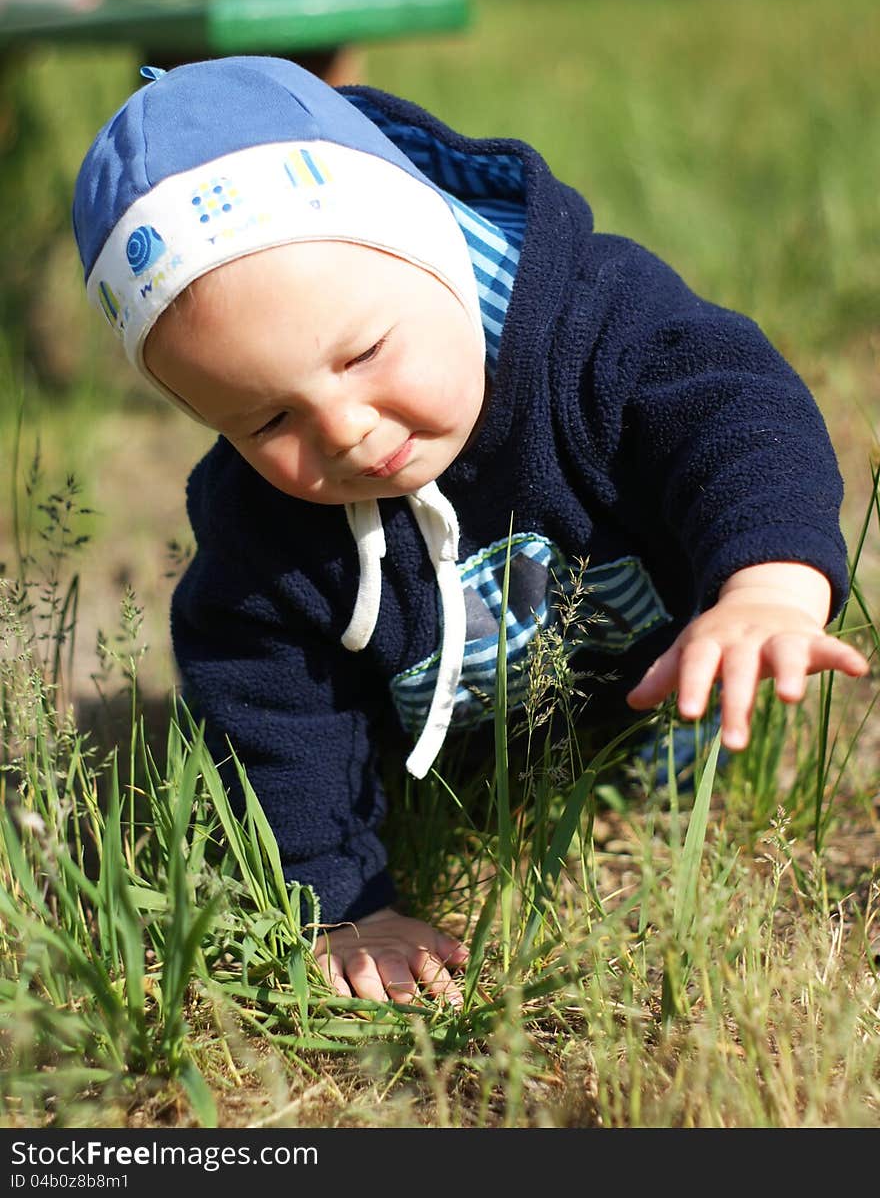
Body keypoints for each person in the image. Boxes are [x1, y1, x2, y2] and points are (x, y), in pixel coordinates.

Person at [72, 55, 868, 1008]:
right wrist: (341, 902)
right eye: (267, 421)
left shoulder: (595, 330)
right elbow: (268, 704)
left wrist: (767, 582)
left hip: (669, 699)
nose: (344, 428)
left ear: (431, 244)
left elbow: (733, 415)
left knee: (668, 734)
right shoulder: (264, 533)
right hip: (447, 764)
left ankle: (657, 755)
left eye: (365, 353)